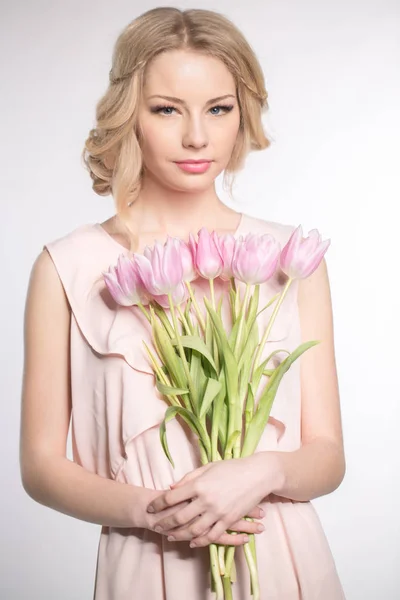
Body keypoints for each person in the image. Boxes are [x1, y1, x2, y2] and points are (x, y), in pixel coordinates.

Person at [19, 7, 346, 599]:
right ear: (130, 115)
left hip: (280, 556)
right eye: (167, 109)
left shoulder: (288, 257)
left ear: (240, 114)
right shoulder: (65, 268)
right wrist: (157, 512)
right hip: (147, 558)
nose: (197, 136)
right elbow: (41, 468)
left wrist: (263, 471)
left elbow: (327, 456)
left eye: (218, 109)